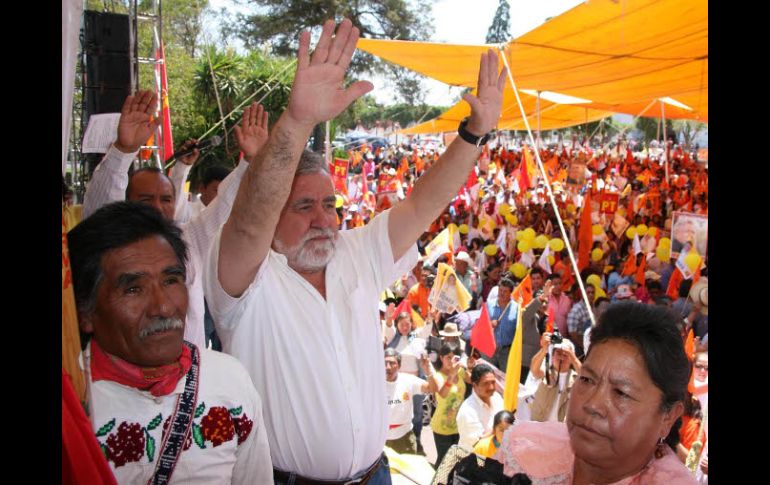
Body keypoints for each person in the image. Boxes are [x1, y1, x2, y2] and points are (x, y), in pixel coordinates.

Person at [204, 18, 506, 483]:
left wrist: (473, 134)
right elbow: (247, 219)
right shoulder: (246, 277)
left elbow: (423, 202)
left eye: (330, 203)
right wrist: (299, 121)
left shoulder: (354, 252)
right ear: (272, 213)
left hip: (375, 475)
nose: (324, 218)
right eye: (303, 205)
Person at [68, 201, 272, 483]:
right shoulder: (74, 403)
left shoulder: (229, 380)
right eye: (133, 289)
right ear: (86, 312)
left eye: (171, 280)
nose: (163, 307)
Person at [82, 93, 268, 349]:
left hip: (192, 379)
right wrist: (123, 151)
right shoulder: (112, 246)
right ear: (126, 202)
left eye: (166, 199)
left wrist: (249, 162)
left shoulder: (189, 239)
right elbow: (99, 208)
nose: (158, 207)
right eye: (146, 199)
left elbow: (225, 205)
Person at [495, 302, 696, 483]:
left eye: (621, 393)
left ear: (668, 416)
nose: (592, 404)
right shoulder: (524, 448)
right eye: (586, 379)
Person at [384, 349, 439, 454]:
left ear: (399, 366)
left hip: (404, 437)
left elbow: (432, 388)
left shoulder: (408, 380)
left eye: (392, 363)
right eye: (384, 363)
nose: (388, 367)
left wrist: (428, 371)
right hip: (381, 439)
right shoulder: (373, 383)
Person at [429, 341, 473, 466]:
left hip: (458, 425)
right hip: (442, 427)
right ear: (441, 358)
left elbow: (472, 380)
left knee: (456, 460)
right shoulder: (437, 376)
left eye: (455, 357)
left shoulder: (460, 372)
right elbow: (442, 393)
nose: (451, 360)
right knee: (444, 462)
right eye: (448, 357)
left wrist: (469, 367)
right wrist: (451, 376)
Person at [526, 334, 581, 422]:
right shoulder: (546, 372)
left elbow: (586, 377)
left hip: (561, 430)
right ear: (552, 356)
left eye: (566, 355)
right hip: (539, 425)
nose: (561, 357)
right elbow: (534, 369)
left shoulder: (576, 378)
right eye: (558, 353)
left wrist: (573, 356)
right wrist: (544, 348)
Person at [456, 363, 504, 450]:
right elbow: (478, 444)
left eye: (493, 382)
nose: (491, 387)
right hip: (474, 459)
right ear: (474, 385)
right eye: (486, 383)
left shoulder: (496, 397)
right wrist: (500, 427)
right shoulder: (467, 411)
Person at [487, 277, 519, 371]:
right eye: (500, 290)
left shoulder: (516, 308)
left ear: (511, 293)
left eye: (505, 291)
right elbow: (480, 323)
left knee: (505, 379)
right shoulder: (489, 304)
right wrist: (489, 324)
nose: (501, 293)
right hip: (490, 349)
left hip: (507, 351)